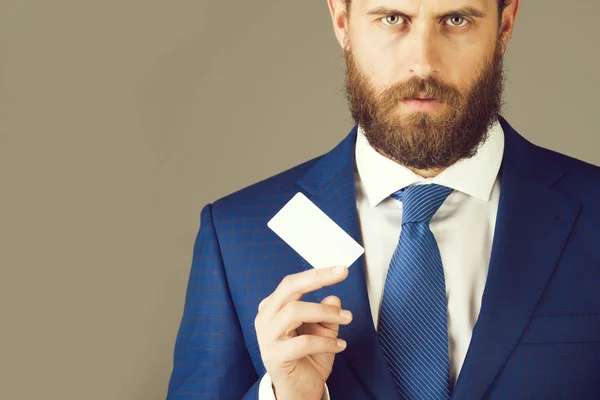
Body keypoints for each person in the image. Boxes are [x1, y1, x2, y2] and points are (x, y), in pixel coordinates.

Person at [166, 0, 600, 398]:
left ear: (504, 26)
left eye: (456, 20)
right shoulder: (236, 234)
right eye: (393, 19)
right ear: (342, 21)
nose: (422, 63)